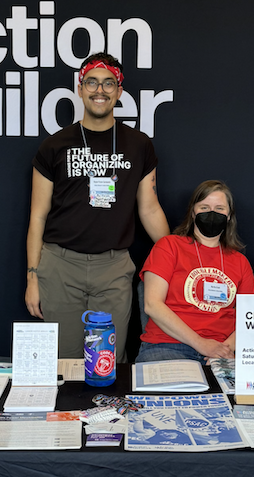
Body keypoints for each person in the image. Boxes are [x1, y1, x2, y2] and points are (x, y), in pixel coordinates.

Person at [25, 52, 169, 361]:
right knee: (64, 364)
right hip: (60, 267)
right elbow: (38, 216)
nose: (99, 90)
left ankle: (105, 412)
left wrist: (175, 254)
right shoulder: (54, 145)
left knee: (107, 362)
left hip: (113, 268)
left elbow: (149, 208)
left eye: (108, 83)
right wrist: (32, 278)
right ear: (80, 88)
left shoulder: (139, 144)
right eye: (92, 82)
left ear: (119, 91)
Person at [136, 180, 254, 364]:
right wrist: (201, 344)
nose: (212, 213)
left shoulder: (240, 262)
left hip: (222, 350)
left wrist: (225, 349)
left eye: (219, 208)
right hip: (168, 346)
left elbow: (251, 317)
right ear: (193, 213)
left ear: (229, 215)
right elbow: (152, 304)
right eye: (204, 207)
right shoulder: (169, 246)